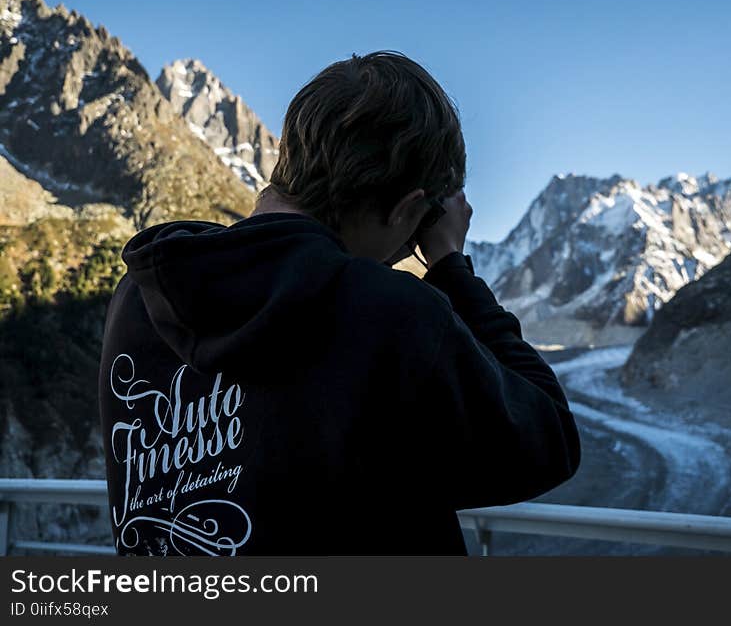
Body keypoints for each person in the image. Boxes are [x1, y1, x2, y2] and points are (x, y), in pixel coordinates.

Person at [98, 50, 581, 555]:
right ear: (408, 209)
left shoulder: (142, 293)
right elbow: (548, 439)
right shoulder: (390, 312)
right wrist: (450, 267)